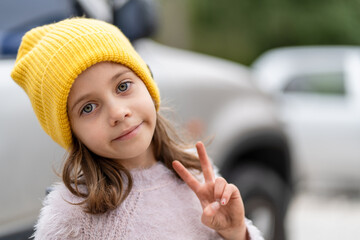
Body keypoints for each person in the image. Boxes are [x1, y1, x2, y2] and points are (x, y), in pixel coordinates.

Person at [11, 18, 263, 239]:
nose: (118, 113)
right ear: (70, 132)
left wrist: (236, 232)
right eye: (88, 108)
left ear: (147, 81)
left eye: (123, 86)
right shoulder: (72, 216)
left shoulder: (195, 174)